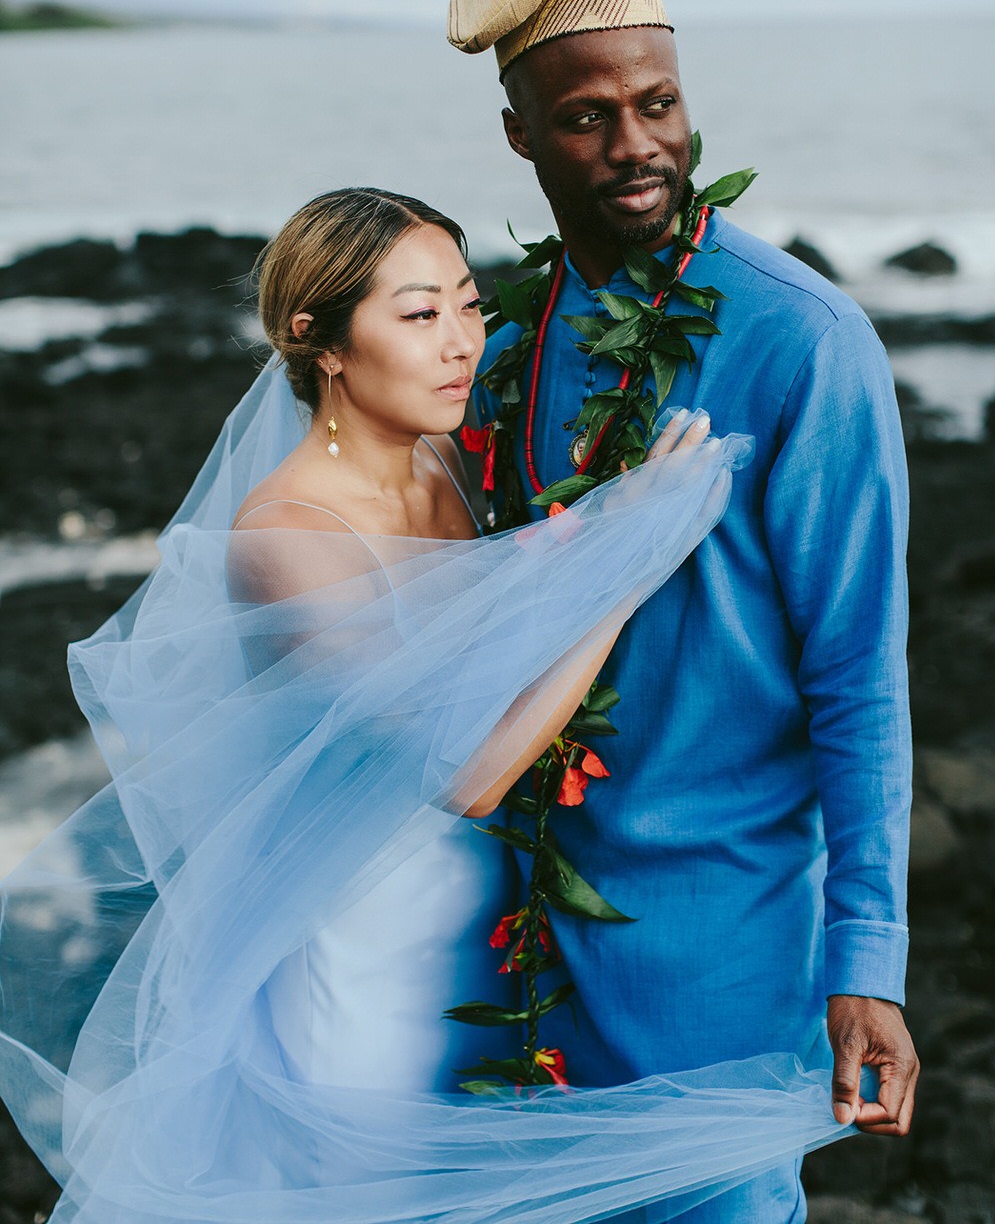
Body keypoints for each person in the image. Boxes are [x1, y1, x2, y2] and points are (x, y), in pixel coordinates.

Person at [0, 185, 863, 1224]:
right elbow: (465, 771)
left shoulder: (444, 459)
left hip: (486, 941)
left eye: (466, 303)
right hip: (364, 958)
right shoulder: (288, 537)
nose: (459, 342)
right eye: (417, 316)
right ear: (318, 342)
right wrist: (627, 558)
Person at [448, 0, 919, 1223]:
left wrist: (866, 963)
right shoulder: (500, 355)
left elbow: (858, 675)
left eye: (656, 104)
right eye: (587, 116)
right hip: (508, 940)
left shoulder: (804, 342)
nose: (634, 145)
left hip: (721, 942)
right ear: (521, 135)